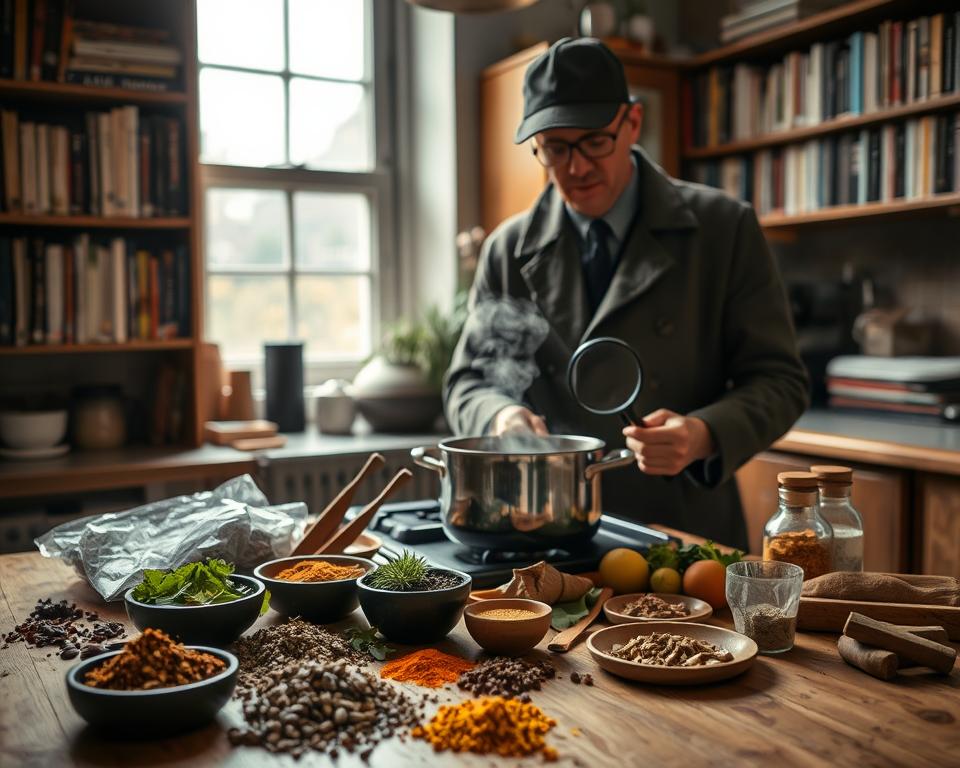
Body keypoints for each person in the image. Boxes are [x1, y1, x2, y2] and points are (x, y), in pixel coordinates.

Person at [443, 38, 809, 549]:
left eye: (594, 141)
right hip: (544, 531)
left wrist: (701, 433)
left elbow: (781, 380)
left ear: (632, 123)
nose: (576, 168)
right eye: (555, 147)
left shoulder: (723, 228)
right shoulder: (507, 248)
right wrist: (500, 416)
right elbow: (469, 381)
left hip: (680, 530)